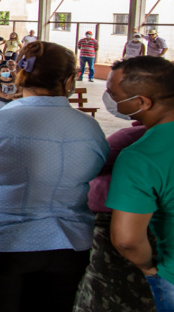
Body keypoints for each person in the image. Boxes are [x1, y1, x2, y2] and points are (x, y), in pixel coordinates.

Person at [0, 41, 108, 312]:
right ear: (68, 80)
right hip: (68, 245)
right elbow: (94, 172)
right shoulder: (90, 128)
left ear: (20, 75)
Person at [106, 56, 174, 312]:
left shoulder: (141, 156)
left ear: (143, 102)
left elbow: (127, 240)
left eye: (114, 94)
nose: (110, 100)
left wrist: (149, 268)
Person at [74, 119, 155, 312]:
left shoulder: (133, 137)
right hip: (148, 222)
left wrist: (147, 267)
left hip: (114, 218)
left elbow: (91, 166)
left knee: (107, 288)